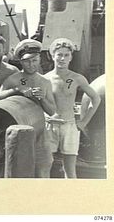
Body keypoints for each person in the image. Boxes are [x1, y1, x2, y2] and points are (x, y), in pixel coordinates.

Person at [44, 38, 100, 178]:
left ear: (71, 58)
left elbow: (96, 98)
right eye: (59, 54)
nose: (62, 58)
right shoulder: (44, 79)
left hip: (69, 126)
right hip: (49, 126)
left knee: (69, 170)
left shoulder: (77, 78)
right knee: (45, 166)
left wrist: (83, 122)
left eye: (66, 55)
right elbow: (38, 103)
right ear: (53, 56)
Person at [0, 39, 56, 177]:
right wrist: (17, 91)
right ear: (20, 61)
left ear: (39, 59)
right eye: (27, 61)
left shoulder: (45, 82)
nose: (31, 64)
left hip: (39, 133)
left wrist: (42, 98)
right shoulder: (12, 80)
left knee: (43, 167)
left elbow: (52, 111)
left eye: (34, 60)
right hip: (15, 131)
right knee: (13, 169)